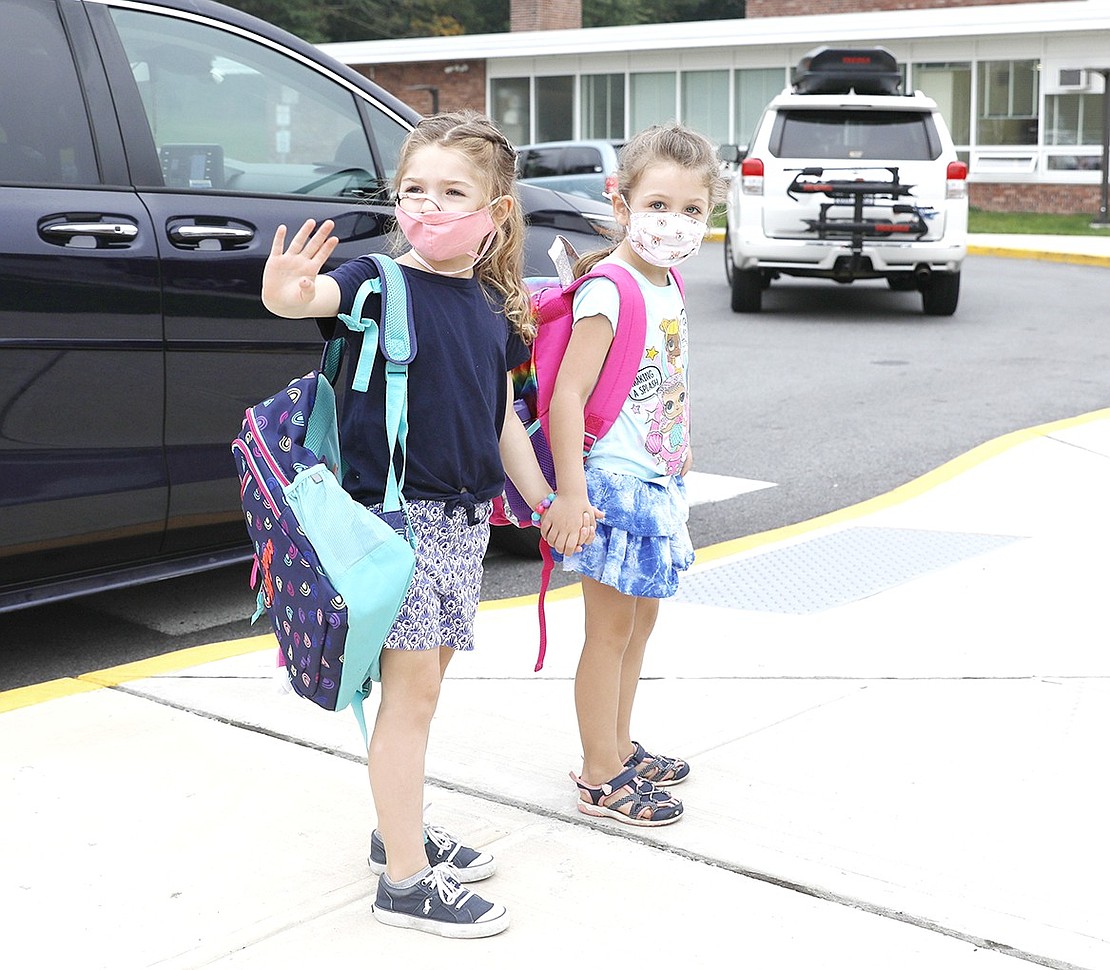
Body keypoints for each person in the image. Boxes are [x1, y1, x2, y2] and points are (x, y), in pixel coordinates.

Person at [260, 111, 593, 939]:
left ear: (496, 213)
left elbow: (502, 422)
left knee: (427, 691)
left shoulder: (487, 305)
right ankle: (405, 883)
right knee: (408, 701)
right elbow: (311, 297)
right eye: (415, 190)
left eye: (454, 193)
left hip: (462, 525)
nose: (430, 207)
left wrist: (543, 501)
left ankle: (393, 831)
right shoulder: (376, 281)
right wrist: (287, 293)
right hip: (396, 526)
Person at [540, 123, 727, 827]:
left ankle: (617, 746)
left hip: (656, 483)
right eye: (658, 205)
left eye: (691, 210)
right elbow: (566, 396)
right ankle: (598, 775)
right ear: (621, 204)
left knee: (640, 623)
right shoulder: (611, 290)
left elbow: (665, 381)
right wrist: (571, 492)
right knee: (609, 632)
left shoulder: (667, 280)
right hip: (612, 488)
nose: (674, 223)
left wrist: (680, 453)